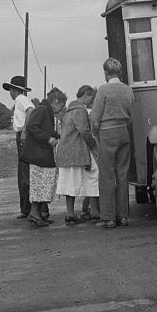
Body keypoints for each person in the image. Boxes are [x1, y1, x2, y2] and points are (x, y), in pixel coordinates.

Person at [91, 57, 134, 229]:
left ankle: (108, 217)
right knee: (122, 174)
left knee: (107, 175)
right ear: (120, 72)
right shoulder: (128, 90)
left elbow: (95, 117)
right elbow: (130, 114)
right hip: (123, 130)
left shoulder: (103, 90)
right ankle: (123, 216)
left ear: (106, 73)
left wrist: (95, 134)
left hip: (107, 133)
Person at [21, 86, 67, 227]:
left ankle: (38, 213)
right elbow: (31, 126)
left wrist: (55, 135)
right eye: (61, 105)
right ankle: (35, 213)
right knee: (40, 184)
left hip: (41, 153)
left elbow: (38, 127)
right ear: (56, 101)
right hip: (38, 154)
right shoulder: (42, 110)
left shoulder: (45, 110)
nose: (61, 109)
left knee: (44, 184)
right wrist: (48, 138)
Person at [55, 85, 99, 224]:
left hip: (65, 152)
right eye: (90, 99)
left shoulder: (69, 110)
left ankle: (70, 213)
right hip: (75, 152)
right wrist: (94, 145)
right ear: (85, 95)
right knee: (92, 176)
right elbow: (84, 131)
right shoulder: (80, 110)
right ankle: (91, 211)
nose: (90, 103)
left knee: (69, 183)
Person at [2, 75, 34, 219]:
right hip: (21, 134)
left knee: (24, 172)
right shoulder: (20, 100)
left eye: (11, 89)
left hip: (22, 135)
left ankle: (27, 208)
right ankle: (26, 207)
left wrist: (25, 131)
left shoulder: (21, 99)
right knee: (23, 172)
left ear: (14, 90)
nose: (10, 92)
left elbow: (31, 111)